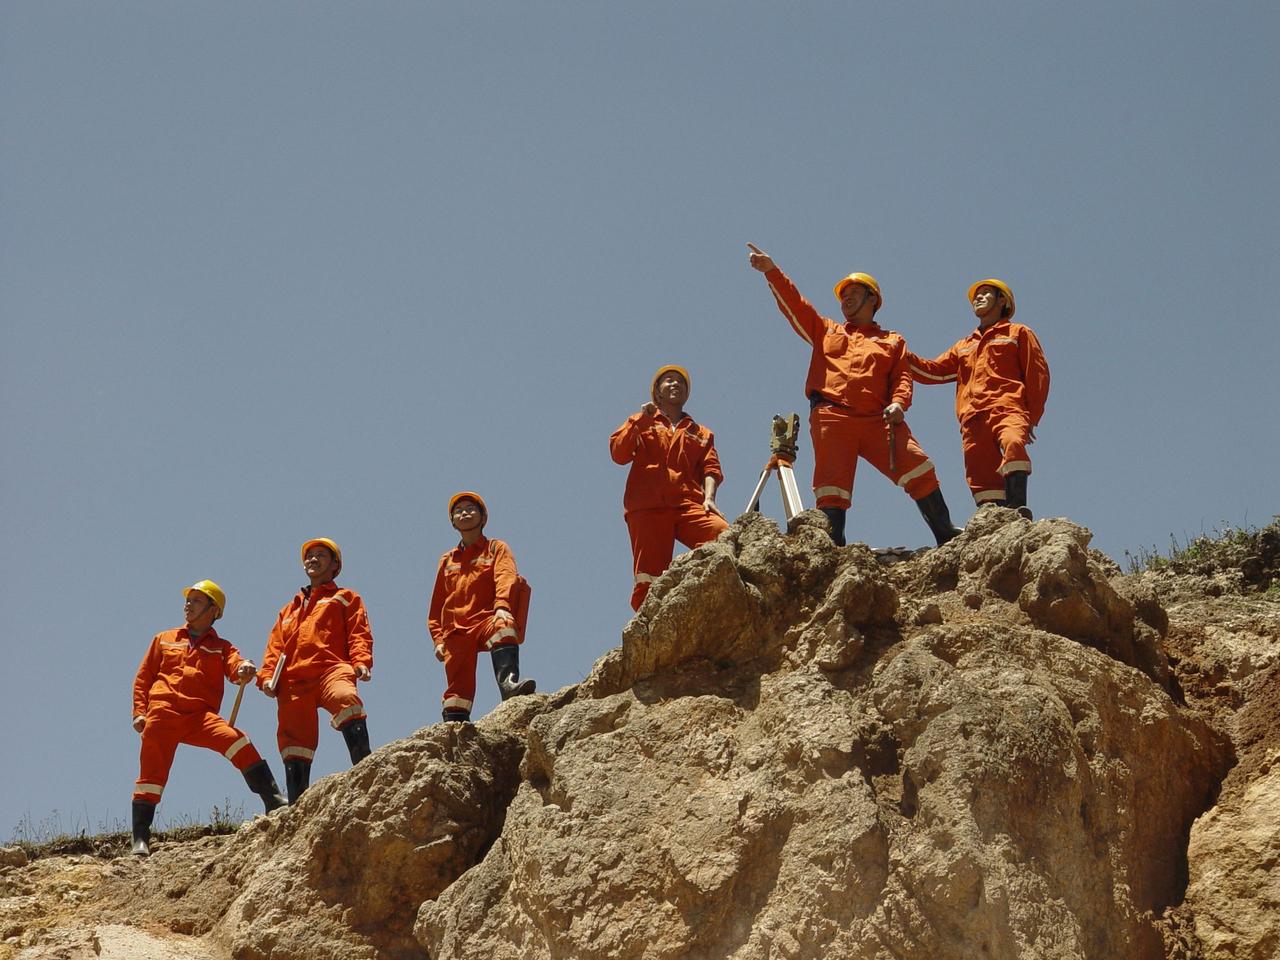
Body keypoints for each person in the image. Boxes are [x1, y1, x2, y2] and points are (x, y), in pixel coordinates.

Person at [746, 243, 960, 547]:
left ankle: (944, 532)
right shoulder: (827, 331)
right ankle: (834, 548)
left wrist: (899, 403)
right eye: (843, 295)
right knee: (832, 487)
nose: (846, 298)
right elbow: (796, 306)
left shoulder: (892, 341)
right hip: (832, 417)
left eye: (854, 293)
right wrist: (772, 272)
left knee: (918, 465)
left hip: (877, 420)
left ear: (873, 299)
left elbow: (902, 379)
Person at [131, 580, 285, 856]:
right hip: (163, 713)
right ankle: (140, 838)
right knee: (151, 775)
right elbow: (144, 678)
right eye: (188, 600)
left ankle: (272, 799)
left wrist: (244, 669)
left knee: (238, 741)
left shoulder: (222, 647)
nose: (188, 605)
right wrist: (140, 712)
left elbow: (236, 666)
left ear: (214, 610)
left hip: (201, 717)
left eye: (196, 601)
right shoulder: (164, 638)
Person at [909, 279, 1050, 518]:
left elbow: (1038, 374)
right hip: (972, 418)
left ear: (1002, 301)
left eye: (986, 293)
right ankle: (991, 521)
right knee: (980, 472)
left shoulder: (1018, 333)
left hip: (1007, 409)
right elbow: (933, 371)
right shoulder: (965, 345)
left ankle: (1017, 508)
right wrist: (900, 355)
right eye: (976, 295)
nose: (978, 298)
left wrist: (1031, 418)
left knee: (1013, 443)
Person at [258, 538, 373, 803]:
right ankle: (298, 805)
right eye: (309, 556)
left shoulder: (345, 598)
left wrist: (361, 661)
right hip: (293, 680)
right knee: (293, 740)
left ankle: (367, 772)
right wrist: (267, 677)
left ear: (335, 565)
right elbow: (274, 647)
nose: (313, 559)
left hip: (331, 669)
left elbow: (359, 632)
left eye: (321, 555)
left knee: (346, 699)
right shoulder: (289, 610)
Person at [610, 364, 729, 609]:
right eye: (669, 380)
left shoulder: (701, 433)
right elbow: (619, 454)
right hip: (648, 506)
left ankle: (704, 596)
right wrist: (640, 421)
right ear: (657, 392)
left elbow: (711, 469)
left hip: (687, 504)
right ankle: (648, 624)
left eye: (681, 382)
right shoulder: (641, 421)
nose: (676, 384)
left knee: (724, 536)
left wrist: (709, 499)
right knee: (648, 579)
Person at [428, 492, 536, 723]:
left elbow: (505, 576)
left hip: (487, 618)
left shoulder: (496, 548)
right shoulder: (447, 560)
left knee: (504, 626)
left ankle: (509, 685)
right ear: (452, 521)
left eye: (470, 508)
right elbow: (437, 603)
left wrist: (503, 606)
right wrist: (437, 639)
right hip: (456, 630)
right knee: (457, 690)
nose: (464, 513)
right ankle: (455, 722)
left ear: (483, 517)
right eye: (458, 511)